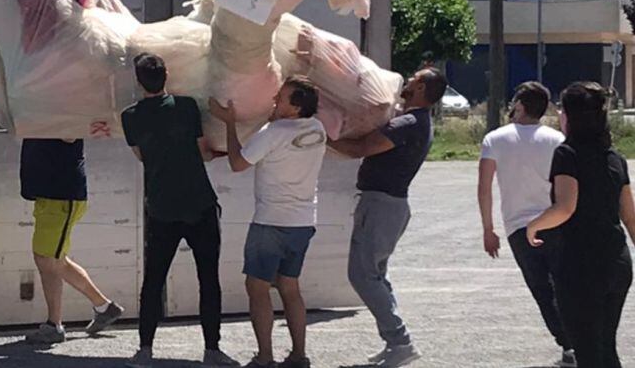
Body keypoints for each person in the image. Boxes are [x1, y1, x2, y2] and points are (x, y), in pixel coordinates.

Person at [121, 53, 239, 368]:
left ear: (138, 81)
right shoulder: (186, 107)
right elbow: (203, 152)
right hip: (199, 204)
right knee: (208, 278)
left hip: (161, 207)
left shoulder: (129, 116)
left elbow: (141, 156)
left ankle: (145, 350)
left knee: (154, 280)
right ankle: (212, 350)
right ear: (167, 76)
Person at [326, 67, 447, 368]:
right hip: (387, 205)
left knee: (362, 275)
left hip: (382, 206)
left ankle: (400, 341)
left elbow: (360, 149)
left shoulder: (407, 124)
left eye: (413, 79)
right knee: (376, 275)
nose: (407, 81)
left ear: (420, 89)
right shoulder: (414, 121)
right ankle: (395, 343)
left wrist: (321, 135)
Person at [208, 76, 327, 368]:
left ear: (296, 107)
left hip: (271, 222)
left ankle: (265, 357)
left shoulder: (274, 132)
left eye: (282, 98)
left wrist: (230, 123)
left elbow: (238, 164)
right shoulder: (317, 129)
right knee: (290, 287)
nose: (275, 100)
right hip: (303, 223)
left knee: (257, 287)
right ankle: (299, 355)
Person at [527, 81, 635, 367]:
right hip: (617, 263)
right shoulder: (615, 158)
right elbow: (629, 216)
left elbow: (565, 207)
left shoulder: (567, 154)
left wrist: (534, 225)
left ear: (570, 116)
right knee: (605, 347)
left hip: (582, 264)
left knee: (587, 350)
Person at [476, 82, 574, 367]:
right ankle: (578, 340)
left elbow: (484, 188)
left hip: (518, 227)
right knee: (565, 285)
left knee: (542, 290)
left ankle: (568, 345)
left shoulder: (495, 139)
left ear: (519, 105)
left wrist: (487, 228)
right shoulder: (557, 139)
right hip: (556, 219)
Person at [19, 138, 125, 345]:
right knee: (53, 259)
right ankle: (103, 307)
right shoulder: (41, 109)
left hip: (60, 195)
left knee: (47, 260)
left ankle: (54, 325)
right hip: (51, 195)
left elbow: (69, 133)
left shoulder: (64, 111)